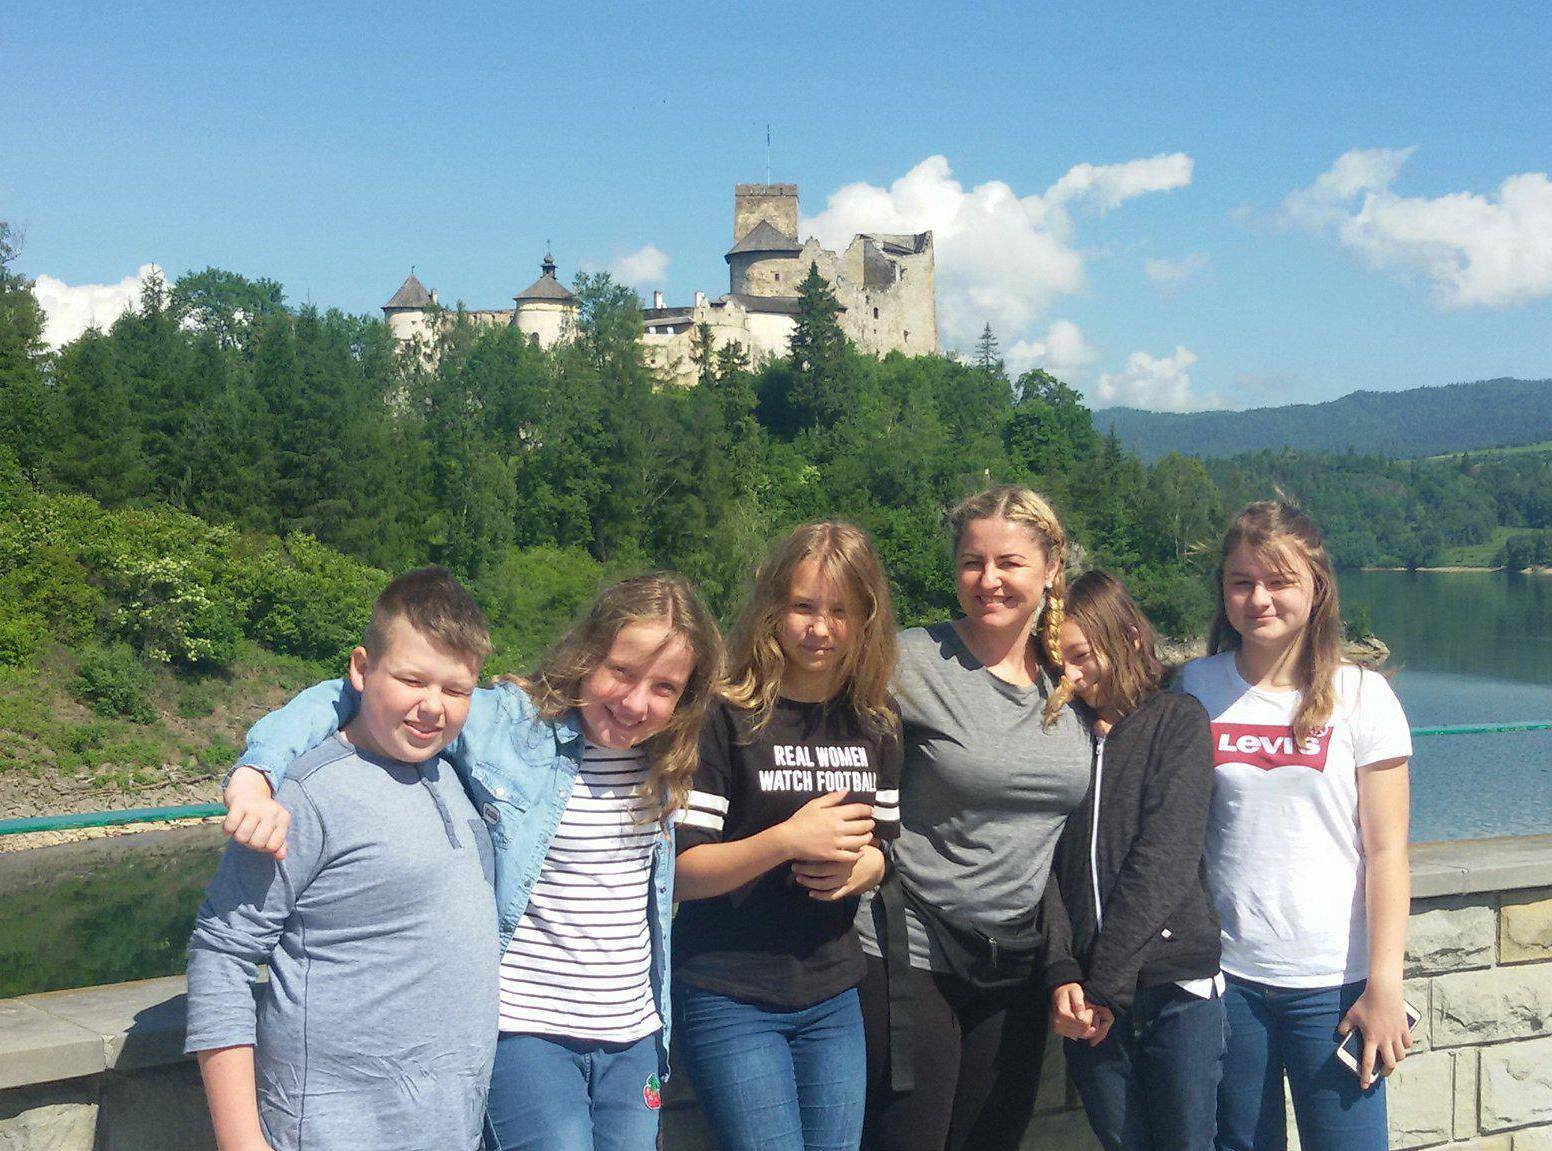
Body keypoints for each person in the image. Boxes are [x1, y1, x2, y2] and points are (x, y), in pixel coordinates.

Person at [219, 572, 725, 1151]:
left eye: (664, 688)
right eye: (622, 672)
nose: (635, 702)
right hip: (526, 1031)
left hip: (634, 1033)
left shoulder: (667, 756)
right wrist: (256, 773)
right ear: (587, 656)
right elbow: (343, 695)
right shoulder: (510, 725)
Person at [185, 565, 500, 1151]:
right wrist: (240, 1140)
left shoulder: (457, 778)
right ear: (361, 669)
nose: (433, 706)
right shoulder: (305, 794)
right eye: (411, 680)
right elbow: (222, 954)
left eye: (455, 690)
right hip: (331, 1130)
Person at [856, 484, 1092, 1151]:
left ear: (1050, 569)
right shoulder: (908, 661)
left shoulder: (1072, 678)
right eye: (972, 562)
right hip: (909, 945)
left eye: (1009, 562)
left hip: (1016, 957)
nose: (988, 580)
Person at [1177, 500, 1413, 1151]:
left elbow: (1388, 851)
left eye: (1279, 581)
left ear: (1317, 588)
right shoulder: (1195, 686)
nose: (1259, 598)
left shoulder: (1362, 696)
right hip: (1226, 979)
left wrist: (1384, 985)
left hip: (1334, 984)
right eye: (1242, 581)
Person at [673, 522, 902, 1151]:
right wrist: (788, 840)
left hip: (834, 991)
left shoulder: (877, 720)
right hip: (730, 991)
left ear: (867, 619)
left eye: (840, 611)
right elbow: (679, 873)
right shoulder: (724, 714)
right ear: (773, 607)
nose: (820, 628)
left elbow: (885, 845)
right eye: (803, 606)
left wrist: (871, 868)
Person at [1039, 570, 1225, 1151]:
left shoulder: (1178, 720)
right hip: (1087, 997)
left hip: (1175, 992)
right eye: (1059, 664)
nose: (1071, 677)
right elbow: (1040, 865)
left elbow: (1164, 862)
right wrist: (1061, 971)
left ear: (1130, 636)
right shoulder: (1058, 735)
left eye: (1082, 656)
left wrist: (1104, 988)